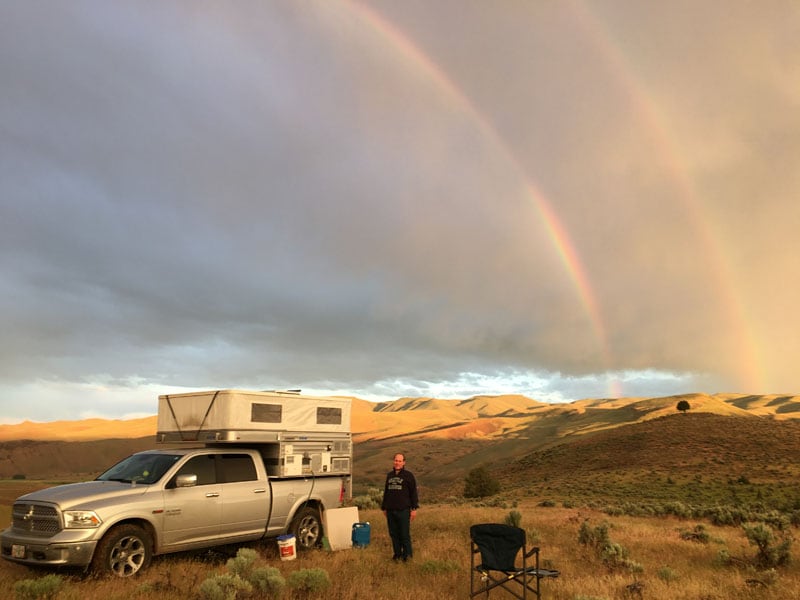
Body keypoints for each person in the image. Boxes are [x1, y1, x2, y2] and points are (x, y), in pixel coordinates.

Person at [381, 452, 419, 562]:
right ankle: (397, 554)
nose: (397, 463)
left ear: (404, 463)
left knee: (404, 534)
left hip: (404, 510)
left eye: (400, 461)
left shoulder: (408, 476)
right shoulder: (390, 476)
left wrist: (414, 509)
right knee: (393, 534)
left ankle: (407, 556)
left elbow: (413, 493)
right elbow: (386, 492)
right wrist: (384, 507)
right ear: (394, 461)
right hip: (391, 510)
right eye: (396, 460)